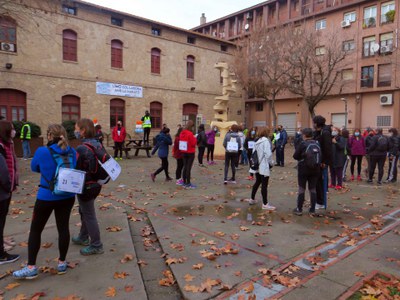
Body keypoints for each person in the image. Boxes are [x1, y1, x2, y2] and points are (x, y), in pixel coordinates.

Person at [13, 124, 76, 279]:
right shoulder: (72, 151)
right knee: (63, 228)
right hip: (67, 196)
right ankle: (62, 263)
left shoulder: (42, 151)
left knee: (36, 230)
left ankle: (31, 267)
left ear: (49, 136)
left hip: (46, 196)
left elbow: (34, 167)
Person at [72, 118, 105, 256]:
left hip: (85, 186)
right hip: (96, 184)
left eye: (76, 129)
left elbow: (77, 168)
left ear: (83, 130)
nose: (75, 131)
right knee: (84, 211)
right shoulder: (97, 144)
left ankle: (96, 244)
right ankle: (83, 236)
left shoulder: (81, 147)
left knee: (89, 214)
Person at [0, 120, 19, 265]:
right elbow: (4, 171)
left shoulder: (8, 144)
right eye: (11, 129)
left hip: (7, 188)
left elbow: (12, 165)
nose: (14, 131)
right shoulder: (1, 146)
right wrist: (7, 186)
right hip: (3, 190)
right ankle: (1, 255)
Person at [246, 127, 275, 210]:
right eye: (269, 132)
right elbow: (268, 154)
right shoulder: (266, 141)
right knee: (264, 185)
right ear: (266, 132)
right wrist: (271, 163)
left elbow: (254, 153)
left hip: (257, 165)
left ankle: (252, 199)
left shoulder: (257, 141)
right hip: (264, 165)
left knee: (258, 182)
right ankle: (265, 204)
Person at [292, 128, 321, 216]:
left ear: (304, 135)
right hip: (315, 169)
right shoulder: (317, 143)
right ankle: (312, 209)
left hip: (303, 169)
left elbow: (295, 156)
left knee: (302, 188)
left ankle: (299, 209)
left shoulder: (303, 144)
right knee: (312, 188)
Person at [312, 115, 332, 209]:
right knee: (317, 181)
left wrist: (324, 161)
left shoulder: (325, 132)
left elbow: (327, 148)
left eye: (314, 123)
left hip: (322, 161)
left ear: (316, 123)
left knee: (319, 182)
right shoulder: (318, 132)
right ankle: (318, 200)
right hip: (317, 160)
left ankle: (320, 202)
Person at [179, 120, 197, 189]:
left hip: (183, 151)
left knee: (185, 167)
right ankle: (188, 183)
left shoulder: (181, 133)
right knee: (188, 168)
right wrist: (195, 138)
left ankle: (184, 182)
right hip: (190, 152)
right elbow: (193, 143)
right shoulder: (190, 134)